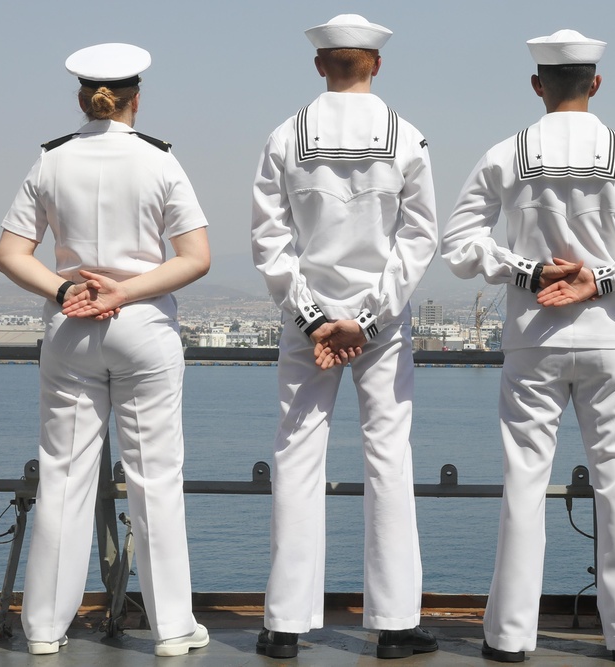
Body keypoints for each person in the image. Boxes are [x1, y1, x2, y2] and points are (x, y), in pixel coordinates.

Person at [442, 29, 615, 664]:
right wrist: (602, 277)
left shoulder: (505, 153)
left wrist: (524, 272)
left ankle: (508, 636)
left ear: (537, 85)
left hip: (532, 339)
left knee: (524, 484)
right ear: (597, 83)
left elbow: (460, 245)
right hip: (609, 338)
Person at [0, 43, 211, 657]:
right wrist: (126, 290)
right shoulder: (161, 163)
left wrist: (68, 289)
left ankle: (42, 628)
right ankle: (172, 628)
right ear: (135, 100)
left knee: (63, 477)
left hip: (69, 329)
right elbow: (196, 258)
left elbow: (10, 254)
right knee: (156, 478)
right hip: (141, 326)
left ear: (83, 98)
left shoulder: (50, 162)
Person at [250, 14, 439, 660]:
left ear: (320, 65)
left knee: (298, 457)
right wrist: (371, 318)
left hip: (309, 327)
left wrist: (312, 316)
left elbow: (268, 239)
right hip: (378, 328)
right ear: (376, 64)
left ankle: (283, 624)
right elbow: (420, 240)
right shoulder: (406, 137)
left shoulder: (285, 136)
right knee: (389, 457)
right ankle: (393, 624)